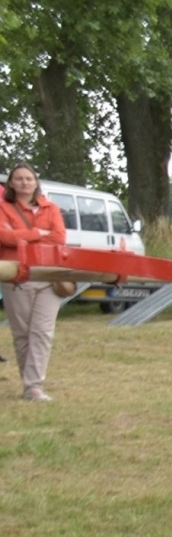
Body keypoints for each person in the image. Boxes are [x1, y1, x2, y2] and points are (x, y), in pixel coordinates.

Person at [0, 163, 68, 401]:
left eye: (29, 178)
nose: (24, 182)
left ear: (36, 182)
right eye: (19, 179)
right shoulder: (3, 207)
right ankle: (30, 384)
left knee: (42, 332)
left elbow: (59, 237)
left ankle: (33, 386)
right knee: (22, 333)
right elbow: (3, 236)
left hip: (49, 276)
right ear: (11, 183)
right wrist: (39, 234)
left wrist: (22, 238)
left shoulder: (51, 208)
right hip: (16, 276)